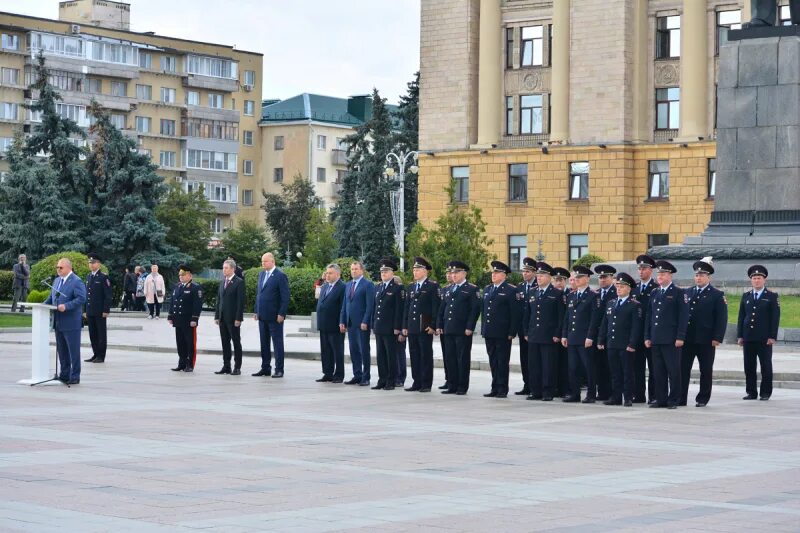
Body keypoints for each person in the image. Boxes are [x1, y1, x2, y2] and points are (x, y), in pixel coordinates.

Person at [680, 258, 728, 407]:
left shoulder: (717, 295)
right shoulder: (687, 292)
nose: (698, 278)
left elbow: (721, 318)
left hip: (706, 339)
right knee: (683, 369)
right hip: (687, 338)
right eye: (696, 275)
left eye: (702, 275)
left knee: (705, 370)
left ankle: (703, 398)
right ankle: (681, 397)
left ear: (708, 277)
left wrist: (717, 337)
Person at [644, 260, 689, 409]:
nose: (660, 276)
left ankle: (674, 399)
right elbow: (649, 317)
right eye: (659, 274)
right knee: (658, 372)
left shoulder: (679, 293)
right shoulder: (655, 292)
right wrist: (647, 336)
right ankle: (661, 399)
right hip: (656, 338)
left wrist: (680, 337)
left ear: (670, 275)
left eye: (663, 274)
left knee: (673, 371)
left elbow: (683, 317)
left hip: (671, 339)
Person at [597, 273, 643, 407]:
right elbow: (605, 323)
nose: (619, 289)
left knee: (627, 372)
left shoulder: (634, 305)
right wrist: (601, 339)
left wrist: (632, 343)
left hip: (625, 344)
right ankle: (616, 396)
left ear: (629, 289)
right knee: (615, 372)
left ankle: (628, 397)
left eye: (622, 287)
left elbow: (636, 326)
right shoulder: (611, 303)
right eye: (617, 286)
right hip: (612, 343)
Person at [523, 262, 565, 401]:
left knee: (548, 365)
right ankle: (536, 391)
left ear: (549, 277)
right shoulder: (532, 292)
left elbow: (561, 317)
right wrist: (526, 332)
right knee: (534, 365)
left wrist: (557, 334)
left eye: (542, 275)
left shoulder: (556, 293)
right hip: (534, 334)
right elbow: (528, 314)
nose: (539, 277)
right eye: (538, 275)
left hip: (549, 336)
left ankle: (548, 391)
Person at [737, 265, 780, 401]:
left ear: (764, 280)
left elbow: (775, 318)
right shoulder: (746, 296)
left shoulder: (771, 296)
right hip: (748, 337)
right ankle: (751, 392)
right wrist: (740, 335)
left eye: (759, 278)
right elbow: (741, 317)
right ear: (751, 280)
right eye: (754, 278)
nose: (756, 281)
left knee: (765, 365)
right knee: (749, 366)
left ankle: (765, 392)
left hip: (764, 338)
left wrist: (772, 336)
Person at [438, 260, 481, 396]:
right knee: (450, 358)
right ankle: (452, 384)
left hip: (462, 330)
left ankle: (462, 386)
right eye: (452, 273)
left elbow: (474, 310)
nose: (453, 275)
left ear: (464, 273)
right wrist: (440, 325)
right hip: (449, 328)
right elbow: (443, 308)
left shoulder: (471, 289)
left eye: (456, 272)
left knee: (462, 358)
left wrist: (470, 327)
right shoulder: (449, 288)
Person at [44, 258, 86, 385]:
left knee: (73, 350)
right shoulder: (57, 281)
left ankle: (75, 376)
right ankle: (64, 374)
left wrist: (66, 306)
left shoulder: (76, 281)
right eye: (57, 267)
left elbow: (81, 298)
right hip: (58, 321)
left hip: (71, 322)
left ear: (68, 267)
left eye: (60, 267)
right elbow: (51, 298)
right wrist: (41, 306)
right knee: (61, 350)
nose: (58, 269)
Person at [402, 257, 440, 392]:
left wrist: (434, 325)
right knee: (414, 355)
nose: (415, 272)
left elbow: (436, 307)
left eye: (418, 270)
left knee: (425, 355)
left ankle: (426, 383)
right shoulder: (411, 286)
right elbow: (407, 307)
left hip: (425, 327)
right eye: (414, 270)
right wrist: (405, 326)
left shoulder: (432, 286)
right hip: (412, 327)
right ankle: (416, 381)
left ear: (425, 271)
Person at [561, 265, 599, 403]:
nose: (576, 280)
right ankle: (575, 393)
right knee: (573, 367)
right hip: (572, 337)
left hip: (585, 338)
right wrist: (564, 334)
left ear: (587, 279)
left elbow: (594, 319)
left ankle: (591, 394)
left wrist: (590, 336)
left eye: (579, 277)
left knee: (588, 367)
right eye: (575, 277)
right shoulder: (571, 295)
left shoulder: (593, 296)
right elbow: (567, 317)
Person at [481, 261, 517, 398]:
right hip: (489, 331)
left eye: (497, 273)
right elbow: (484, 311)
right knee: (493, 361)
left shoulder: (510, 290)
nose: (493, 275)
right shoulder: (488, 289)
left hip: (502, 332)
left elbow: (514, 313)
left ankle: (502, 388)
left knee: (502, 361)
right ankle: (494, 387)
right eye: (493, 272)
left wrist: (511, 332)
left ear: (504, 275)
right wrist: (484, 329)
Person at [253, 252, 290, 378]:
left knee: (277, 343)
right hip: (262, 315)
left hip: (275, 316)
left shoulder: (280, 275)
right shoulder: (262, 274)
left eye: (265, 261)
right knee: (264, 343)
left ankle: (279, 369)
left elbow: (285, 297)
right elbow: (259, 294)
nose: (263, 264)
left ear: (273, 261)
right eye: (262, 261)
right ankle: (265, 367)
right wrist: (256, 310)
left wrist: (281, 313)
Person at [339, 261, 375, 386]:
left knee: (363, 350)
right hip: (350, 323)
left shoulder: (368, 285)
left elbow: (370, 306)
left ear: (362, 271)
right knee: (353, 350)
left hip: (362, 324)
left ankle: (366, 377)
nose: (353, 271)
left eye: (356, 269)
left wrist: (366, 321)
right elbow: (345, 305)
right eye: (352, 269)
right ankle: (357, 375)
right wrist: (342, 321)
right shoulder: (348, 285)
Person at [371, 258, 404, 390]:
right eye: (382, 271)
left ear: (392, 273)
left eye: (386, 271)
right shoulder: (378, 287)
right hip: (379, 327)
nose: (383, 273)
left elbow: (398, 310)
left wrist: (397, 327)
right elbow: (375, 307)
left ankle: (391, 381)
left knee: (391, 356)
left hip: (390, 328)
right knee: (381, 356)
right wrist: (373, 324)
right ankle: (382, 379)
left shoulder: (397, 288)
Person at [631, 254, 658, 404]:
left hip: (651, 334)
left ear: (651, 270)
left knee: (654, 367)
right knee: (637, 366)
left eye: (644, 268)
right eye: (639, 268)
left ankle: (653, 395)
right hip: (636, 334)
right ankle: (639, 394)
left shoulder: (656, 288)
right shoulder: (633, 287)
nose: (641, 271)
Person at [168, 265, 203, 372]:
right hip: (178, 319)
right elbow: (173, 301)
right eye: (180, 275)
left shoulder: (195, 287)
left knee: (189, 342)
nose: (181, 277)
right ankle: (181, 363)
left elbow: (197, 305)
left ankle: (190, 364)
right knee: (180, 342)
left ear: (189, 275)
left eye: (183, 275)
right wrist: (170, 315)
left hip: (188, 320)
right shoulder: (177, 286)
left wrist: (194, 319)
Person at [590, 264, 617, 401]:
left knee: (611, 366)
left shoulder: (615, 292)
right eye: (600, 277)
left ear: (612, 278)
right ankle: (602, 392)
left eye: (605, 277)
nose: (602, 280)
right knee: (599, 365)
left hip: (611, 335)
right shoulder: (596, 294)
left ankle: (613, 392)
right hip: (597, 336)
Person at [214, 259, 246, 375]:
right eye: (223, 268)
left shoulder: (239, 282)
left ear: (233, 269)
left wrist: (238, 318)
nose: (224, 270)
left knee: (236, 342)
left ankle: (237, 367)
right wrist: (217, 316)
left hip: (233, 319)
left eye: (226, 268)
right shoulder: (222, 282)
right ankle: (226, 366)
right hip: (223, 318)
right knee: (225, 343)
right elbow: (219, 301)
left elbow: (240, 302)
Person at [316, 264, 346, 383]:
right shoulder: (324, 286)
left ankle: (339, 374)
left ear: (337, 274)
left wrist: (342, 322)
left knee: (337, 351)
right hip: (324, 324)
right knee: (325, 350)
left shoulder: (342, 287)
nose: (327, 275)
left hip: (335, 325)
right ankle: (327, 373)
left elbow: (343, 306)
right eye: (327, 273)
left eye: (330, 273)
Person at [83, 253, 112, 364]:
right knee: (92, 334)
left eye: (93, 262)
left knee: (101, 334)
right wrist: (85, 310)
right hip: (90, 310)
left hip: (100, 311)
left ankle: (101, 356)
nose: (91, 265)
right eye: (90, 263)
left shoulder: (103, 277)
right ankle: (95, 354)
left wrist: (106, 310)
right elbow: (87, 295)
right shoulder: (89, 276)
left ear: (98, 264)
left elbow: (108, 295)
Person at [514, 258, 537, 395]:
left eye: (528, 271)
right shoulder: (520, 287)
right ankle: (526, 384)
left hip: (534, 329)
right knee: (524, 358)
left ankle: (535, 385)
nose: (525, 274)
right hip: (523, 328)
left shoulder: (537, 286)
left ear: (534, 272)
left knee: (533, 359)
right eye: (523, 271)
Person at [552, 267, 571, 397]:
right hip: (553, 334)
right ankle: (556, 387)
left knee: (565, 363)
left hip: (566, 334)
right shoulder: (552, 293)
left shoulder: (569, 295)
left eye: (561, 280)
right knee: (554, 363)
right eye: (556, 280)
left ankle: (565, 389)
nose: (558, 283)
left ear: (566, 281)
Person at [437, 269, 455, 390]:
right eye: (447, 273)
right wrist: (439, 325)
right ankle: (448, 379)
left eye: (451, 273)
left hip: (454, 327)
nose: (449, 276)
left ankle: (454, 380)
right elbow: (440, 310)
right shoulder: (444, 289)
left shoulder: (459, 288)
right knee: (446, 355)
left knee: (453, 355)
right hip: (445, 327)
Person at [394, 274, 409, 387]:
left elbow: (403, 315)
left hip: (400, 330)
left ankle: (400, 377)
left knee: (400, 354)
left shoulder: (403, 296)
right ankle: (395, 376)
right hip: (391, 330)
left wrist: (401, 331)